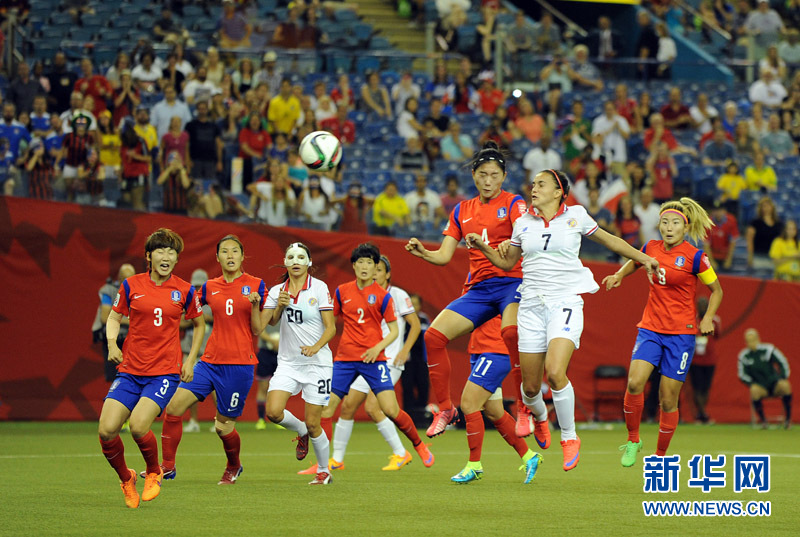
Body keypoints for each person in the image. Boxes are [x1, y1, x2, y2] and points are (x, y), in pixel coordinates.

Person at [468, 169, 659, 471]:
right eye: (533, 184)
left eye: (541, 184)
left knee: (556, 372)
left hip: (565, 302)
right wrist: (483, 247)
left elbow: (611, 241)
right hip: (531, 306)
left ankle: (569, 437)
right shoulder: (522, 223)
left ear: (559, 192)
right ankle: (541, 416)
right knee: (530, 388)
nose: (534, 188)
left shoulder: (576, 216)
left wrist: (644, 257)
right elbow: (506, 262)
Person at [405, 141, 532, 438]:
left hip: (512, 283)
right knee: (433, 336)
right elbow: (444, 256)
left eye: (494, 175)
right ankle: (446, 409)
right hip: (480, 289)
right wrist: (423, 253)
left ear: (503, 177)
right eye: (483, 175)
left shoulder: (515, 203)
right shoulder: (462, 210)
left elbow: (527, 237)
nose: (488, 181)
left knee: (511, 334)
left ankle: (525, 407)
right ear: (474, 175)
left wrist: (511, 242)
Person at [603, 197, 722, 467]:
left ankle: (660, 456)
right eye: (665, 222)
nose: (669, 227)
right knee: (635, 383)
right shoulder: (651, 248)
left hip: (681, 335)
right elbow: (635, 261)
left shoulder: (696, 257)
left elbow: (717, 291)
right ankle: (633, 440)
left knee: (667, 400)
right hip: (651, 329)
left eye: (675, 223)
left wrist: (707, 318)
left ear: (685, 227)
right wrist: (619, 275)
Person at [301, 244, 434, 476]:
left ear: (376, 269)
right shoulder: (342, 291)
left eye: (370, 263)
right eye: (360, 262)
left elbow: (395, 331)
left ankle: (418, 445)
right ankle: (326, 464)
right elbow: (329, 322)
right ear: (353, 266)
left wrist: (378, 348)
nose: (365, 267)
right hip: (345, 360)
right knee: (328, 409)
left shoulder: (386, 296)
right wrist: (313, 339)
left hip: (377, 361)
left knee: (389, 409)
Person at [98, 228, 205, 508]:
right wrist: (112, 344)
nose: (166, 256)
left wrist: (190, 360)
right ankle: (127, 478)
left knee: (137, 426)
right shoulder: (131, 285)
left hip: (164, 372)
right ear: (149, 256)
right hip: (130, 370)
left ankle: (154, 471)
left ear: (177, 259)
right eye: (160, 251)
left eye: (171, 252)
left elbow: (199, 323)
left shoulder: (184, 290)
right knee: (106, 431)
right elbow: (114, 317)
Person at [328, 255, 421, 471]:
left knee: (373, 407)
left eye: (379, 270)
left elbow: (415, 325)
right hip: (365, 358)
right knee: (347, 406)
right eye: (372, 268)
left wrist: (405, 350)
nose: (374, 272)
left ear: (387, 274)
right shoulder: (358, 293)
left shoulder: (397, 295)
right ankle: (337, 460)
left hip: (389, 360)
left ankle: (401, 452)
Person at [263, 243, 334, 485]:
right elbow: (271, 322)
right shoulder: (277, 291)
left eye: (301, 257)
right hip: (289, 363)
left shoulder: (319, 288)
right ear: (285, 262)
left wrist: (316, 346)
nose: (296, 261)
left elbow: (331, 328)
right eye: (291, 257)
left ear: (309, 262)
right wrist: (279, 305)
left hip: (318, 364)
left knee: (315, 423)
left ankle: (323, 471)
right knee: (273, 412)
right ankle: (300, 429)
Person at [450, 316, 542, 484]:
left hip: (495, 351)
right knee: (494, 411)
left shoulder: (507, 297)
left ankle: (474, 465)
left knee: (469, 404)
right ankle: (529, 456)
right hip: (480, 349)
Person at [738, 328, 792, 429]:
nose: (751, 343)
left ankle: (788, 420)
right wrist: (752, 383)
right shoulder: (744, 356)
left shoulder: (768, 350)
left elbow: (783, 362)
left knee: (785, 385)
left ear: (758, 339)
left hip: (774, 384)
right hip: (760, 387)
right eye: (748, 341)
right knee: (754, 390)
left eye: (753, 340)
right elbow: (742, 375)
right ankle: (763, 421)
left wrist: (782, 377)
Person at [93, 264, 137, 384]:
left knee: (133, 377)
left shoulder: (140, 292)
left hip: (134, 341)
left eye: (132, 279)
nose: (129, 283)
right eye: (125, 280)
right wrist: (129, 321)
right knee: (115, 378)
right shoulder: (109, 291)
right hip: (115, 339)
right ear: (119, 278)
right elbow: (105, 317)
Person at [690, 296, 721, 424]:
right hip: (695, 360)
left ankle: (701, 413)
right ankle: (702, 414)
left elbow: (717, 335)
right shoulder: (692, 319)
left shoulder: (715, 320)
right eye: (700, 305)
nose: (702, 307)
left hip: (710, 360)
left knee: (705, 388)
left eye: (704, 305)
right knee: (697, 388)